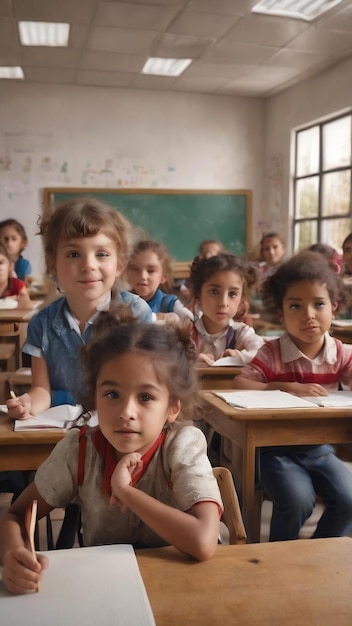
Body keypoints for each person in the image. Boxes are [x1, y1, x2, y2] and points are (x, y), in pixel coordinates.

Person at [0, 314, 223, 594]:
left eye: (145, 397)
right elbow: (15, 516)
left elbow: (204, 541)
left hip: (186, 587)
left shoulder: (182, 445)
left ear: (172, 408)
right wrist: (12, 555)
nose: (126, 413)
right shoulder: (80, 450)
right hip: (106, 590)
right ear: (95, 397)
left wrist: (126, 491)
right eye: (112, 395)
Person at [233, 250, 352, 541]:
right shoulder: (272, 352)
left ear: (333, 308)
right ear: (281, 313)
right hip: (275, 451)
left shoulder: (341, 354)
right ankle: (277, 560)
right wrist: (283, 387)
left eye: (319, 304)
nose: (309, 315)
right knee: (298, 500)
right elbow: (241, 382)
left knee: (349, 499)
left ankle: (319, 552)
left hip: (320, 449)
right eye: (296, 306)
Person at [6, 198, 153, 420]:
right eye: (74, 254)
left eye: (101, 254)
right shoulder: (42, 324)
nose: (88, 265)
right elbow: (41, 391)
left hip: (118, 428)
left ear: (120, 263)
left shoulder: (137, 313)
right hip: (60, 432)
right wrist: (28, 403)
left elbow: (144, 387)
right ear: (52, 264)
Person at [187, 252, 264, 366]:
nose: (223, 303)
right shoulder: (185, 333)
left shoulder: (241, 333)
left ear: (241, 299)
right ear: (198, 296)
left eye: (232, 294)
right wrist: (191, 364)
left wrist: (241, 357)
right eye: (214, 292)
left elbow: (264, 355)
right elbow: (168, 362)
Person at [126, 239, 193, 321]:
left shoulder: (170, 304)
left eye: (151, 271)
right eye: (135, 269)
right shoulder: (120, 302)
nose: (143, 276)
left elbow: (191, 323)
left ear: (163, 276)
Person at [0, 218, 32, 282]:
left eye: (14, 239)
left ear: (23, 243)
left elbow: (25, 288)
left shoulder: (24, 265)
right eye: (6, 239)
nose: (9, 243)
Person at [0, 242, 32, 308]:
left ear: (10, 266)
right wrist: (6, 300)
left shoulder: (18, 285)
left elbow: (27, 307)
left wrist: (24, 298)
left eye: (0, 263)